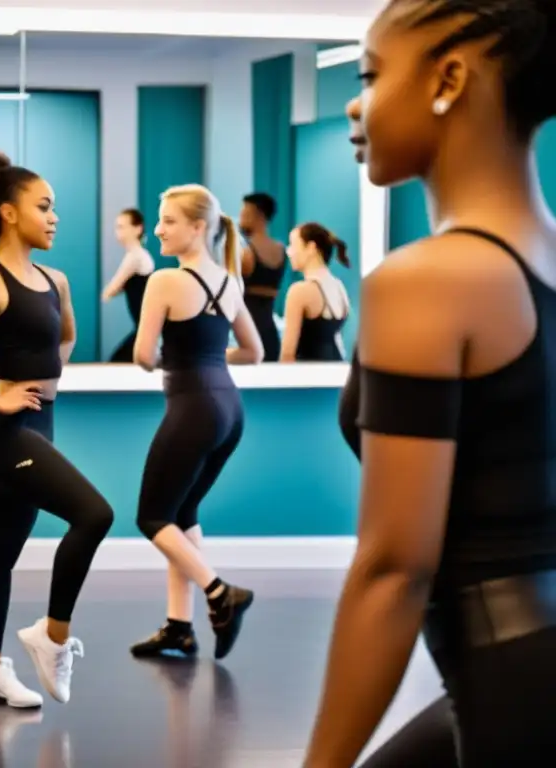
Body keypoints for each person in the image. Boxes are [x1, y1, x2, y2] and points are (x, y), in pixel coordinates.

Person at [304, 1, 556, 766]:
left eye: (371, 75)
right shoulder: (544, 258)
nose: (354, 103)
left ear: (449, 79)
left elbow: (394, 571)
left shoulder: (429, 281)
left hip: (514, 679)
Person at [0, 149, 114, 709]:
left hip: (40, 424)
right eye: (45, 206)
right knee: (94, 514)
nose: (54, 217)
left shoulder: (55, 280)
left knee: (0, 555)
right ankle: (52, 637)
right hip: (2, 433)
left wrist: (41, 383)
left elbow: (64, 341)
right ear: (9, 213)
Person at [128, 184, 262, 660]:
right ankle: (178, 626)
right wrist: (205, 356)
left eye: (167, 221)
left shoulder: (165, 282)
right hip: (228, 408)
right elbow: (254, 352)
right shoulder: (230, 281)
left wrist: (179, 359)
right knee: (182, 514)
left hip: (193, 409)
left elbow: (143, 355)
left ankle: (219, 591)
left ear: (199, 227)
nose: (159, 229)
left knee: (151, 516)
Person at [279, 223, 351, 362]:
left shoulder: (299, 291)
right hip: (335, 373)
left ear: (311, 248)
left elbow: (287, 354)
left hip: (307, 378)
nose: (289, 252)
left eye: (293, 245)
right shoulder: (339, 287)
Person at [101, 208, 155, 362]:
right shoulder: (136, 255)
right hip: (143, 327)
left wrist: (109, 291)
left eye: (122, 227)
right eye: (117, 227)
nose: (118, 231)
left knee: (117, 361)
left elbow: (111, 290)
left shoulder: (135, 257)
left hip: (144, 328)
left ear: (137, 229)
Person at [239, 192, 286, 361]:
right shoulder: (281, 250)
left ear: (258, 216)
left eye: (244, 215)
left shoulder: (245, 254)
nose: (240, 220)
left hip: (247, 335)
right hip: (270, 333)